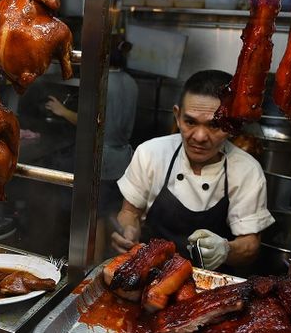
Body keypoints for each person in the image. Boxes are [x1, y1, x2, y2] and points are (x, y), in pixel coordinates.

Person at [111, 70, 274, 271]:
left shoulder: (247, 171)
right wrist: (127, 230)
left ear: (231, 125)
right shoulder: (151, 153)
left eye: (214, 125)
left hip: (211, 287)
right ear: (177, 117)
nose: (199, 136)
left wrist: (225, 250)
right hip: (150, 275)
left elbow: (250, 246)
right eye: (190, 122)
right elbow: (129, 211)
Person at [45, 34, 139, 260]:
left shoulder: (104, 84)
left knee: (94, 217)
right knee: (109, 212)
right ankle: (109, 260)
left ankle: (93, 266)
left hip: (103, 160)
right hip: (123, 158)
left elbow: (90, 121)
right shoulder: (130, 82)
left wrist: (61, 110)